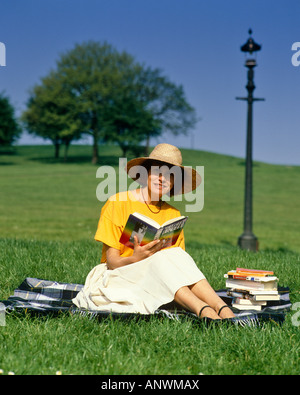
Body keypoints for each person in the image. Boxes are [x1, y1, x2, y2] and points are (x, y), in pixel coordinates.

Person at [73, 143, 235, 320]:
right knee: (161, 259)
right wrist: (137, 257)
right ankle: (204, 311)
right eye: (158, 172)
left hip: (160, 279)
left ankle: (221, 307)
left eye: (170, 176)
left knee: (175, 256)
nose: (162, 179)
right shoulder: (117, 203)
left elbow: (180, 267)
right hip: (120, 275)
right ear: (145, 174)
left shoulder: (173, 214)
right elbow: (112, 263)